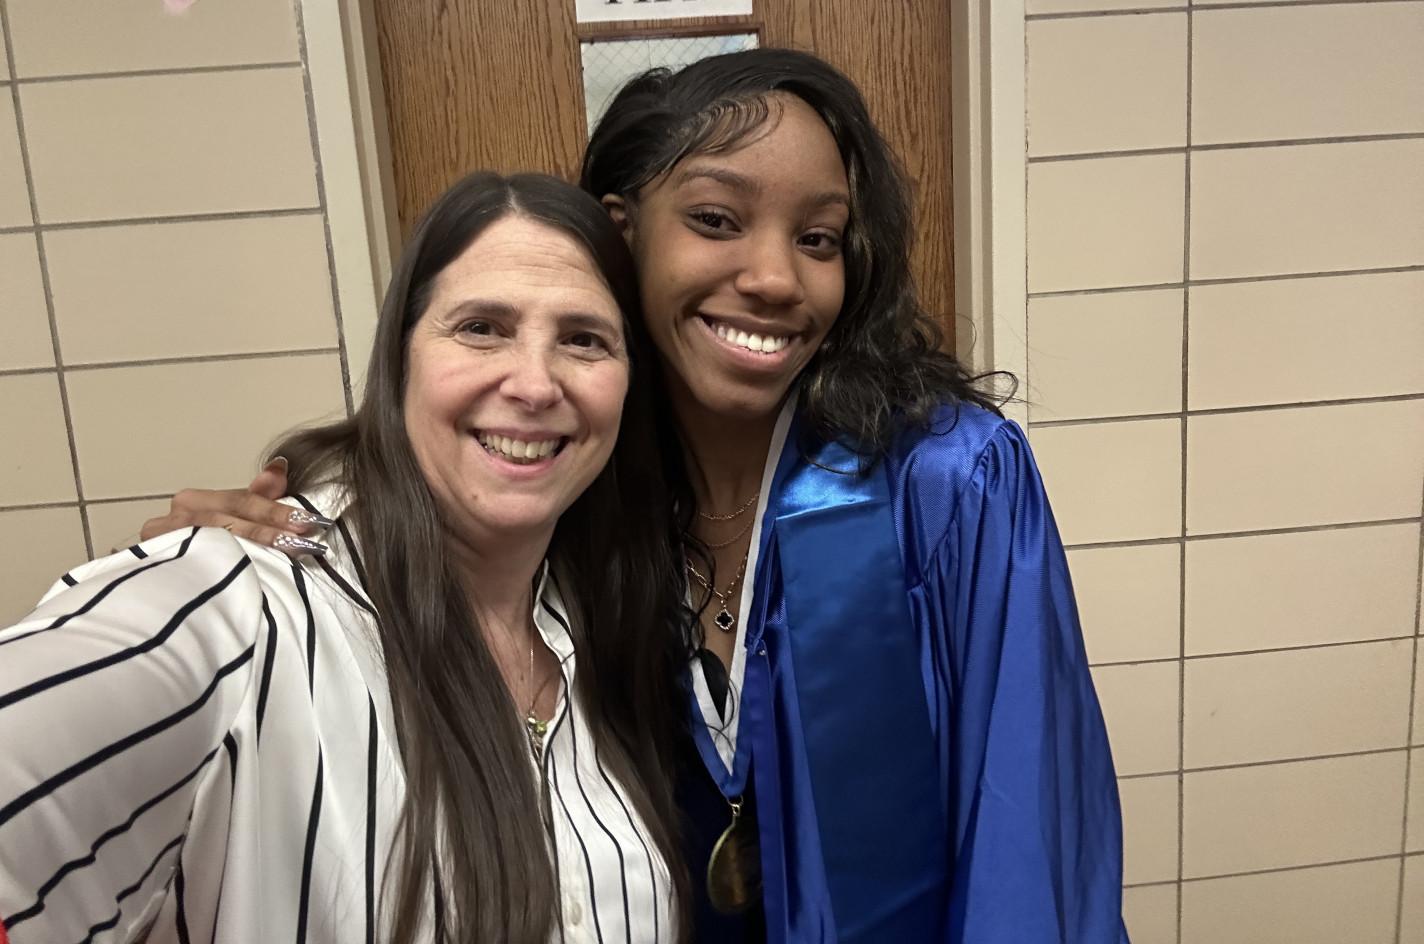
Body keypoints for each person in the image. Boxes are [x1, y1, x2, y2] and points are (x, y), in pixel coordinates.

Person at [136, 49, 1129, 943]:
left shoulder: (945, 482)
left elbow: (1028, 840)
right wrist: (227, 555)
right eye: (715, 220)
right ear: (624, 233)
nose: (775, 276)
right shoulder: (564, 489)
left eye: (819, 238)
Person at [0, 173, 691, 944]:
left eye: (584, 339)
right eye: (482, 327)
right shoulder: (237, 612)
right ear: (400, 361)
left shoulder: (607, 628)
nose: (534, 383)